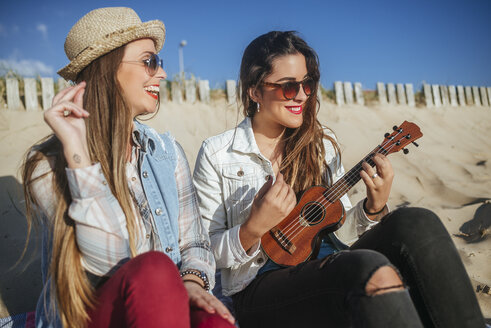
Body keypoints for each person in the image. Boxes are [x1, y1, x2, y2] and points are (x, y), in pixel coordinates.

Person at [192, 31, 485, 327]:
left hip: (326, 267)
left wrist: (373, 208)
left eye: (307, 84)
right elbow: (202, 253)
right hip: (258, 288)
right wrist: (252, 228)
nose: (303, 95)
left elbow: (339, 234)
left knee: (417, 221)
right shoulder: (218, 154)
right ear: (255, 91)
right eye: (288, 87)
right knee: (363, 266)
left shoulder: (322, 145)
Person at [22, 7, 235, 328]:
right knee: (155, 269)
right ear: (107, 69)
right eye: (149, 61)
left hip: (160, 308)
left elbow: (194, 242)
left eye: (160, 63)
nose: (161, 73)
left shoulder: (166, 153)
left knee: (213, 320)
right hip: (89, 316)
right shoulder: (48, 165)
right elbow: (109, 261)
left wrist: (191, 283)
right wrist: (78, 153)